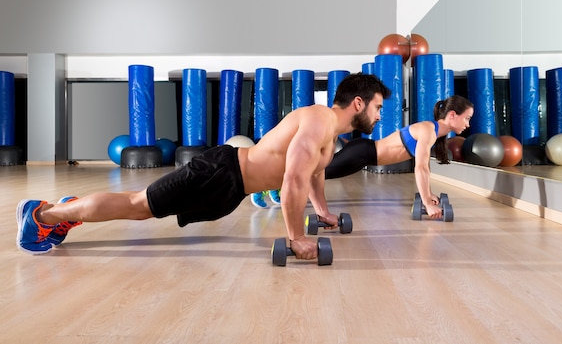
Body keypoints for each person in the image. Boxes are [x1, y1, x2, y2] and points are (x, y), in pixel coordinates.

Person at [16, 72, 391, 260]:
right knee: (138, 206)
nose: (379, 117)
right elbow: (293, 179)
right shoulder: (318, 120)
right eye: (377, 107)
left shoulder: (332, 137)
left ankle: (70, 209)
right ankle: (43, 216)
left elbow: (313, 176)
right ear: (358, 103)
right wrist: (295, 238)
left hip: (229, 190)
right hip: (220, 172)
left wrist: (322, 212)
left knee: (143, 206)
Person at [324, 95, 473, 219]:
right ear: (452, 115)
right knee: (316, 172)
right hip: (362, 152)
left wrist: (428, 194)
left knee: (321, 173)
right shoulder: (428, 130)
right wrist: (427, 203)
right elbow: (420, 168)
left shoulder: (433, 131)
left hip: (364, 156)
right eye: (467, 118)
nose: (468, 124)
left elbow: (425, 167)